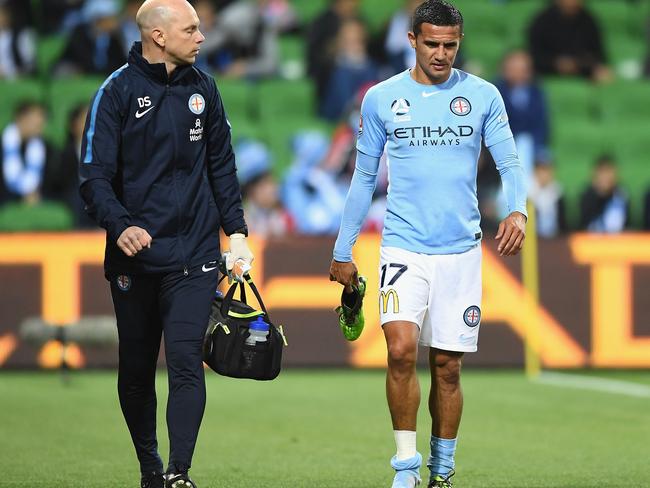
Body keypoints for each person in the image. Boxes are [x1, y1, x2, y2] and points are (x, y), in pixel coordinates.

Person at [329, 2, 527, 487]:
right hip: (402, 247)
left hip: (460, 251)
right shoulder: (380, 98)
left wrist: (517, 209)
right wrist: (342, 249)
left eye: (451, 45)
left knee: (447, 367)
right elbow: (363, 177)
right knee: (400, 350)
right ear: (412, 40)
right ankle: (406, 466)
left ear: (459, 42)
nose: (441, 54)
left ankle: (442, 468)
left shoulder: (482, 96)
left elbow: (510, 162)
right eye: (432, 43)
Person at [78, 1, 253, 487]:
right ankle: (149, 467)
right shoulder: (115, 92)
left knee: (185, 363)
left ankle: (179, 472)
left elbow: (222, 167)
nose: (202, 36)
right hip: (135, 257)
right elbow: (93, 176)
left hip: (195, 255)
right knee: (136, 369)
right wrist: (121, 225)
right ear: (158, 35)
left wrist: (235, 233)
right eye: (192, 28)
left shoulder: (205, 89)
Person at [528, 0, 611, 82]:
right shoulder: (542, 20)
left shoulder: (589, 21)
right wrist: (557, 63)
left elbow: (598, 54)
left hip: (583, 72)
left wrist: (577, 64)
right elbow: (535, 55)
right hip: (547, 72)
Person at [55, 0, 126, 76]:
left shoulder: (114, 37)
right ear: (98, 20)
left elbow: (120, 61)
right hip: (78, 71)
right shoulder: (80, 33)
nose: (115, 22)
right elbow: (81, 58)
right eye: (110, 18)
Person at [0, 101, 49, 205]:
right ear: (20, 118)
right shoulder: (3, 144)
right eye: (35, 117)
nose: (40, 121)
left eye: (42, 117)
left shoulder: (48, 148)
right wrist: (21, 197)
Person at [579, 154, 629, 233]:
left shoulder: (622, 196)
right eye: (602, 172)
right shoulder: (586, 197)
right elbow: (582, 227)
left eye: (608, 171)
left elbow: (628, 227)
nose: (605, 176)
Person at [528, 160, 567, 238]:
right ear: (535, 171)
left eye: (548, 170)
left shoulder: (558, 192)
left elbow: (563, 222)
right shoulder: (527, 192)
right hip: (532, 239)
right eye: (542, 170)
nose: (545, 175)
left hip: (554, 238)